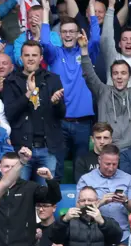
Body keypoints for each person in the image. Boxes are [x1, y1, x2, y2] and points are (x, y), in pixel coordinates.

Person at [41, 0, 99, 182]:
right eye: (64, 32)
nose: (67, 35)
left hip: (83, 123)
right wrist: (45, 10)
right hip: (59, 122)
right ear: (60, 34)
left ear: (78, 34)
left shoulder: (85, 52)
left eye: (71, 32)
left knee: (81, 171)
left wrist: (91, 8)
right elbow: (43, 40)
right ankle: (54, 205)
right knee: (56, 167)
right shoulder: (55, 54)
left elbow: (96, 38)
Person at [2, 40, 65, 184]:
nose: (30, 58)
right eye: (27, 55)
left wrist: (56, 103)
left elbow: (62, 114)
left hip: (48, 148)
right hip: (22, 149)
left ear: (41, 58)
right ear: (21, 57)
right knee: (19, 194)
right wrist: (28, 94)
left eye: (34, 55)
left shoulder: (53, 79)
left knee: (46, 196)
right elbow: (10, 113)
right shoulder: (10, 81)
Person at [80, 31, 131, 149]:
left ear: (129, 76)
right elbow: (89, 74)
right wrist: (84, 50)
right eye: (115, 73)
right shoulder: (103, 91)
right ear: (111, 76)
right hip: (108, 149)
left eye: (123, 73)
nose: (119, 77)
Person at [77, 145, 131, 242]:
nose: (111, 168)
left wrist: (125, 201)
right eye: (107, 164)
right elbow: (79, 210)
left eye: (114, 164)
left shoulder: (128, 179)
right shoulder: (86, 179)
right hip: (95, 233)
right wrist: (101, 202)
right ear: (99, 160)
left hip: (122, 235)